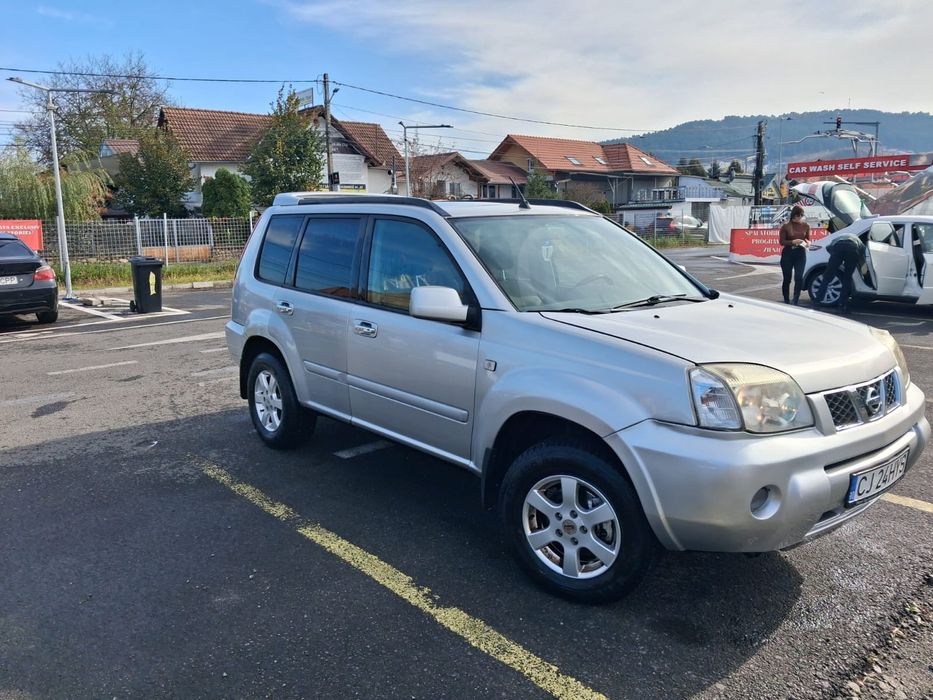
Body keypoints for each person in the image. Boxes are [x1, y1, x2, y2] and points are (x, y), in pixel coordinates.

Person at [815, 232, 867, 312]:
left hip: (838, 248)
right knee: (847, 278)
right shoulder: (858, 240)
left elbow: (828, 248)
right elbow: (862, 253)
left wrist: (836, 260)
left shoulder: (838, 237)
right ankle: (842, 304)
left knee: (827, 276)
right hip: (852, 249)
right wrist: (861, 267)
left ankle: (817, 300)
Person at [779, 205, 811, 304]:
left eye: (802, 215)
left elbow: (808, 238)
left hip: (800, 253)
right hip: (788, 253)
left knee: (799, 277)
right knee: (787, 278)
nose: (800, 217)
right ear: (794, 215)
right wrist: (793, 241)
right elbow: (782, 241)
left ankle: (796, 299)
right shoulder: (786, 226)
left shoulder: (806, 225)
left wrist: (808, 243)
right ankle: (786, 299)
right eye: (798, 215)